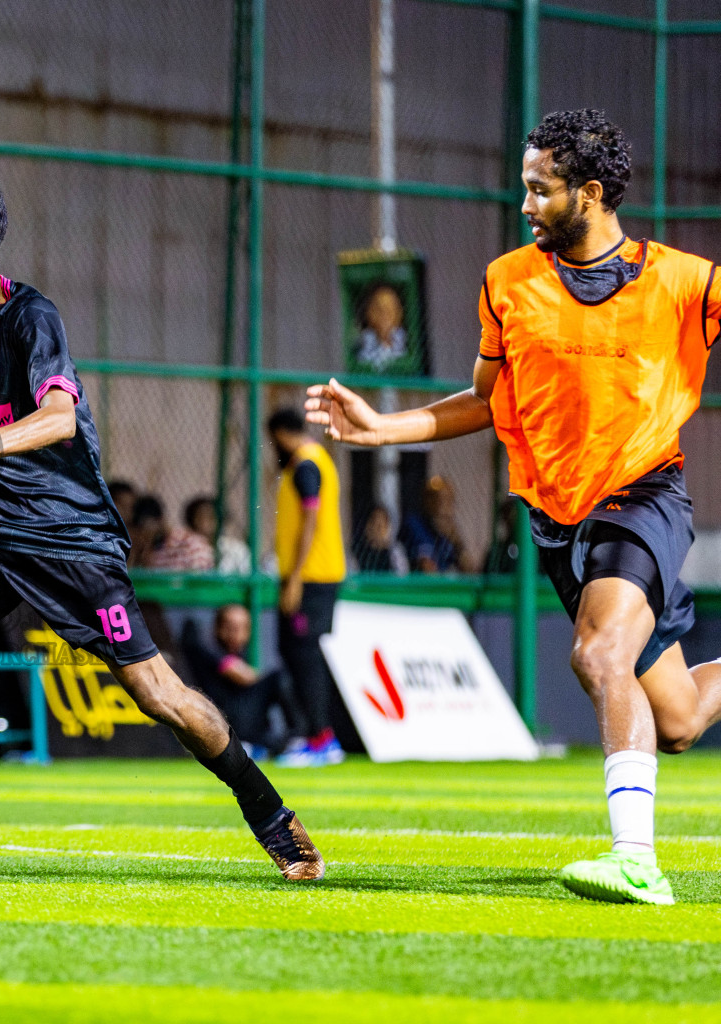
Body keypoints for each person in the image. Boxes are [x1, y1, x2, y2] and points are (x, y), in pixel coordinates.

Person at [0, 165, 323, 881]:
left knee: (158, 695)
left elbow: (60, 414)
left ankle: (270, 813)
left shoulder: (31, 316)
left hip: (68, 535)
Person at [306, 109, 721, 905]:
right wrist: (382, 427)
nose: (525, 203)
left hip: (643, 496)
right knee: (676, 724)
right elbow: (490, 401)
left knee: (599, 656)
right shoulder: (509, 281)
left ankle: (636, 860)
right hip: (557, 520)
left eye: (540, 189)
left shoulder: (683, 280)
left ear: (591, 193)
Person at [266, 408, 346, 768]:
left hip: (310, 578)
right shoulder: (317, 459)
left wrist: (295, 578)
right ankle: (313, 735)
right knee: (298, 652)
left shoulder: (305, 465)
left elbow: (310, 519)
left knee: (304, 655)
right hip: (315, 575)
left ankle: (320, 738)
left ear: (282, 433)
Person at [180, 605, 287, 756]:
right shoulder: (208, 651)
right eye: (230, 627)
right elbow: (243, 676)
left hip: (251, 725)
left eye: (242, 627)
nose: (235, 633)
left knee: (282, 678)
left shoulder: (244, 653)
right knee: (279, 678)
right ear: (218, 628)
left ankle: (299, 739)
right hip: (222, 723)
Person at [399, 475, 476, 573]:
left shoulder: (449, 532)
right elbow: (427, 570)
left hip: (441, 584)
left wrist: (457, 542)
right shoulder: (415, 525)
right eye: (439, 500)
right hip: (417, 586)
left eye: (449, 501)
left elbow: (471, 571)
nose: (445, 507)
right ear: (427, 501)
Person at [184, 495, 254, 575]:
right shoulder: (186, 549)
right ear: (191, 521)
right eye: (200, 518)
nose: (204, 524)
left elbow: (246, 575)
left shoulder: (236, 549)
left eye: (210, 517)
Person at [351, 506, 408, 575]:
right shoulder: (357, 551)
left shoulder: (394, 551)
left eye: (380, 526)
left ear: (388, 528)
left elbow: (402, 577)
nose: (376, 531)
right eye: (373, 524)